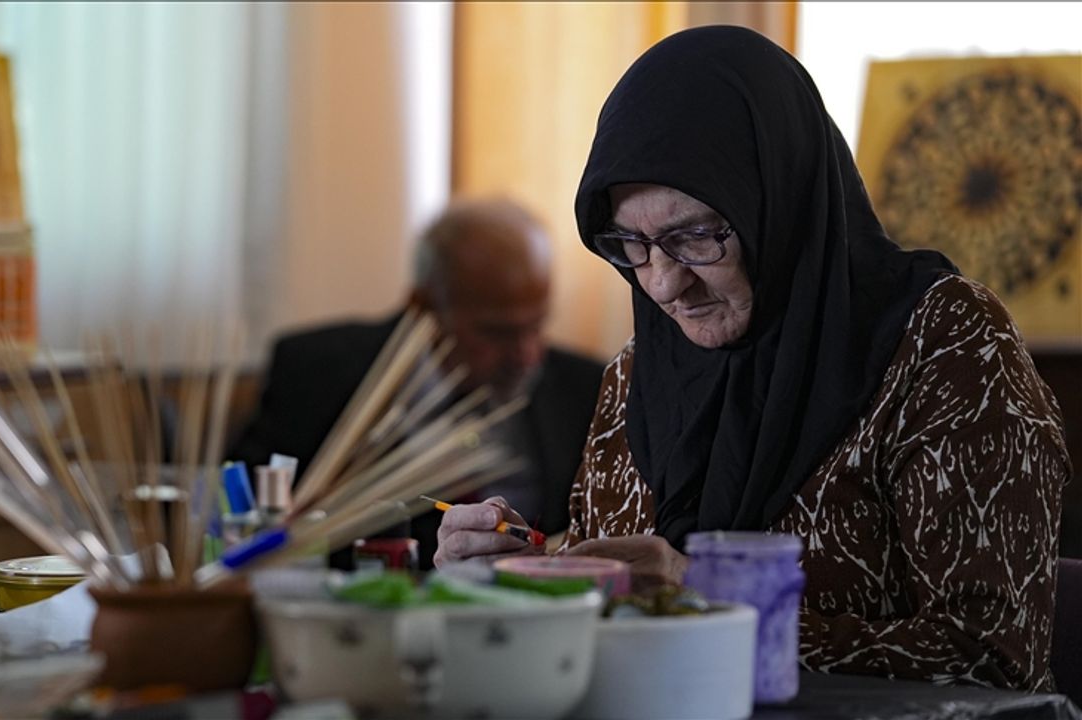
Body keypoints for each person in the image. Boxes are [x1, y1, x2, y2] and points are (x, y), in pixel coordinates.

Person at [435, 26, 1071, 692]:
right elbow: (608, 611)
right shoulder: (637, 374)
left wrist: (705, 601)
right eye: (630, 244)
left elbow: (993, 658)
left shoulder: (944, 345)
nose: (663, 285)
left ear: (780, 202)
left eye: (694, 236)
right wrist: (505, 579)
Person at [231, 197, 605, 568]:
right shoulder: (315, 373)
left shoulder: (587, 387)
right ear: (423, 305)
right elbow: (241, 513)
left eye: (537, 325)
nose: (526, 355)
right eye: (497, 332)